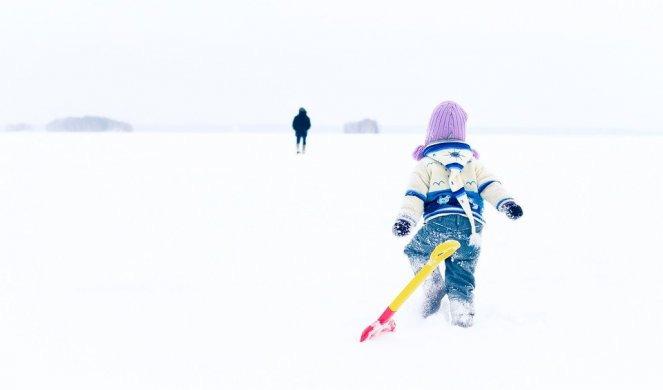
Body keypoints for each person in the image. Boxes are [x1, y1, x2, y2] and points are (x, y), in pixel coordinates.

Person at [392, 101, 523, 327]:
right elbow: (491, 184)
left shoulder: (426, 164)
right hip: (471, 229)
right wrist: (506, 203)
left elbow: (414, 195)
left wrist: (406, 219)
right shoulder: (472, 162)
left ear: (431, 133)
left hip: (438, 225)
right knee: (462, 271)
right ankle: (462, 315)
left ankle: (432, 284)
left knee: (416, 250)